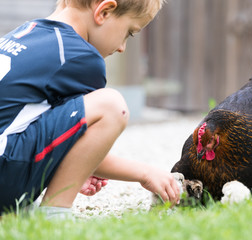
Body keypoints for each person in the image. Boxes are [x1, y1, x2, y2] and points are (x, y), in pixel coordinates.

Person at [0, 0, 180, 218]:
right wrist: (145, 173)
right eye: (129, 33)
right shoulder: (80, 57)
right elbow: (84, 141)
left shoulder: (23, 33)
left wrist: (74, 170)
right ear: (104, 11)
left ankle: (19, 208)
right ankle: (54, 214)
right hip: (4, 175)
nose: (123, 47)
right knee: (112, 106)